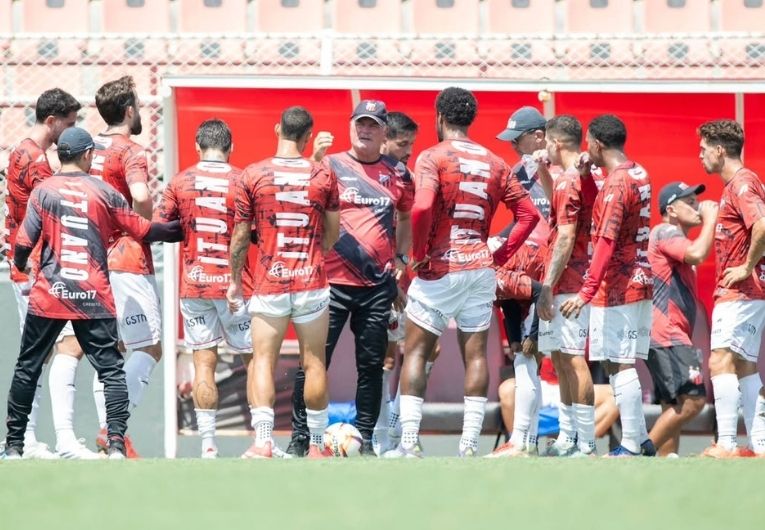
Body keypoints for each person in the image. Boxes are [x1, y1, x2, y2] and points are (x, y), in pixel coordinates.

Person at [1, 127, 181, 460]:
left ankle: (13, 446)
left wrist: (24, 265)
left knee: (28, 366)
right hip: (92, 296)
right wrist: (180, 229)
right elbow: (142, 229)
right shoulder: (104, 192)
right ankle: (115, 444)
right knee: (111, 370)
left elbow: (24, 242)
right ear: (87, 155)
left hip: (51, 294)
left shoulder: (43, 191)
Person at [386, 87, 539, 458]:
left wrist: (419, 253)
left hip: (441, 267)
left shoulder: (433, 156)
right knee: (476, 357)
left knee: (417, 352)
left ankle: (409, 442)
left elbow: (422, 207)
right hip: (480, 268)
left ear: (439, 116)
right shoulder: (495, 162)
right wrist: (500, 252)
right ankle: (469, 445)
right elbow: (529, 215)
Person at [286, 100, 412, 457]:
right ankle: (300, 438)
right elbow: (300, 199)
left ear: (384, 132)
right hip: (330, 282)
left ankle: (366, 438)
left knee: (371, 365)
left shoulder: (399, 173)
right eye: (360, 123)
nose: (365, 130)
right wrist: (314, 157)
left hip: (376, 286)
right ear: (350, 126)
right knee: (313, 362)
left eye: (372, 125)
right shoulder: (330, 164)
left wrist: (402, 258)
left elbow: (405, 217)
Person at [228, 106, 340, 459]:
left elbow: (241, 235)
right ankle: (317, 445)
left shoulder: (253, 173)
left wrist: (234, 281)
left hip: (269, 282)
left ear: (278, 129)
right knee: (314, 362)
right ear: (309, 136)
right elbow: (333, 234)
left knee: (263, 359)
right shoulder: (323, 174)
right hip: (311, 281)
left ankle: (263, 441)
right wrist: (313, 252)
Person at [155, 119, 253, 458]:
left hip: (195, 285)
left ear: (198, 147)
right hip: (235, 287)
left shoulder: (180, 181)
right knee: (254, 362)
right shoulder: (243, 179)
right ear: (231, 147)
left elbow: (161, 226)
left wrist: (189, 228)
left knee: (204, 364)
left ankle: (208, 445)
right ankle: (263, 440)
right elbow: (255, 231)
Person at [559, 114, 654, 457]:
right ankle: (641, 438)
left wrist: (585, 292)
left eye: (588, 143)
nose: (586, 149)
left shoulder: (616, 184)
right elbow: (605, 207)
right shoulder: (637, 172)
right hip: (638, 278)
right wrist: (587, 179)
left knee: (620, 362)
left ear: (598, 144)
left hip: (619, 285)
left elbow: (605, 240)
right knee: (619, 361)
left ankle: (630, 444)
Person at [3, 87, 89, 459]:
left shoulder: (21, 151)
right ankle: (35, 438)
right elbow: (52, 214)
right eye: (68, 123)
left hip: (30, 266)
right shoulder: (35, 160)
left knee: (42, 353)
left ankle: (29, 438)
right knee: (47, 352)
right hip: (37, 269)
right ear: (51, 121)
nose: (71, 131)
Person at [89, 76, 159, 456]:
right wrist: (143, 223)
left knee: (108, 352)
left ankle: (112, 436)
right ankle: (112, 427)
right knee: (149, 348)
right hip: (126, 257)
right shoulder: (129, 150)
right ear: (129, 110)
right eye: (139, 105)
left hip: (91, 259)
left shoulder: (86, 147)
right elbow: (142, 196)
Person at [531, 115, 599, 457]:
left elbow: (567, 236)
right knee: (559, 359)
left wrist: (547, 285)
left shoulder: (573, 177)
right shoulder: (566, 178)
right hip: (563, 280)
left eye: (546, 142)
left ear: (556, 143)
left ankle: (586, 442)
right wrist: (543, 170)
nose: (544, 147)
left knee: (572, 359)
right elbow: (558, 208)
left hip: (570, 281)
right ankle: (568, 436)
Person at [698, 120, 765, 458]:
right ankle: (759, 444)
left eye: (703, 149)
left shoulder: (742, 183)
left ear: (720, 150)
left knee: (720, 359)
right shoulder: (738, 184)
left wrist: (746, 266)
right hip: (748, 293)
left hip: (740, 292)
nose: (700, 155)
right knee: (744, 365)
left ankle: (725, 443)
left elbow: (762, 225)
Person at [489, 105, 552, 457]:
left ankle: (570, 439)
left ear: (539, 136)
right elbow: (521, 222)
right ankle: (525, 440)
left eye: (518, 139)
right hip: (523, 275)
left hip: (551, 275)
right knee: (525, 357)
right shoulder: (516, 171)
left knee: (558, 358)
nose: (513, 146)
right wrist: (497, 243)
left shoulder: (565, 168)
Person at [646, 182, 716, 456]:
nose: (696, 207)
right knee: (693, 402)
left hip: (664, 333)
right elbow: (697, 254)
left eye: (696, 201)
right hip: (667, 332)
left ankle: (666, 461)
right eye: (689, 202)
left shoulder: (675, 237)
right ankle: (638, 452)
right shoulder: (666, 231)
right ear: (671, 210)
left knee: (672, 403)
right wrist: (710, 220)